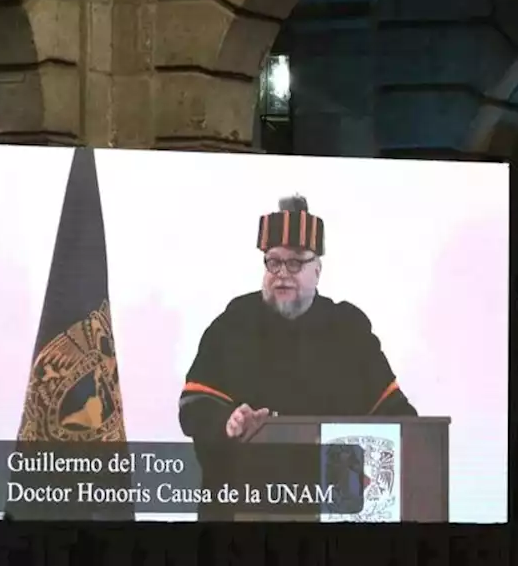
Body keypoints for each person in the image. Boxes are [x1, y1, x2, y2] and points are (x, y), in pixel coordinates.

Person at [178, 195, 418, 489]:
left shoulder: (348, 329)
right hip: (243, 502)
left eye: (294, 263)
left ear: (317, 270)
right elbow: (195, 406)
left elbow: (394, 412)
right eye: (274, 262)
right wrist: (229, 420)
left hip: (331, 506)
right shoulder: (233, 323)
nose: (281, 274)